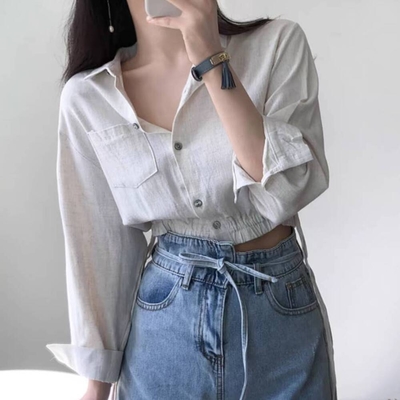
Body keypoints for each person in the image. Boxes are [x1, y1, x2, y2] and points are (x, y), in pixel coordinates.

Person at [46, 0, 337, 399]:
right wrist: (97, 385)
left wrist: (211, 59)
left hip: (279, 318)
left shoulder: (277, 44)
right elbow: (100, 246)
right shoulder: (88, 97)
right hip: (164, 324)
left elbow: (287, 192)